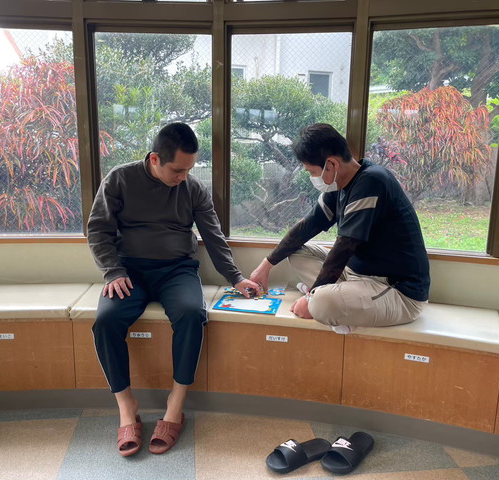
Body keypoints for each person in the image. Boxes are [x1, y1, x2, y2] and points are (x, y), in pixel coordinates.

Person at [87, 122, 260, 457]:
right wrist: (113, 271)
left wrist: (236, 278)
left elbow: (213, 236)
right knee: (106, 321)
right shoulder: (120, 179)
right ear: (155, 159)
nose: (184, 177)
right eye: (178, 170)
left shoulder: (192, 188)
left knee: (192, 313)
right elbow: (98, 230)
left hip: (177, 270)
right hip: (128, 272)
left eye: (189, 170)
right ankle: (126, 406)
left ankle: (175, 404)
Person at [250, 123, 430, 332]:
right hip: (355, 275)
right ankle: (337, 298)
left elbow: (345, 245)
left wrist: (310, 299)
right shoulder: (340, 184)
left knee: (321, 304)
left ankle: (328, 300)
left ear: (331, 164)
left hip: (395, 291)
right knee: (297, 252)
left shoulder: (372, 181)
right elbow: (307, 226)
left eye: (312, 172)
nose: (312, 178)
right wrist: (266, 266)